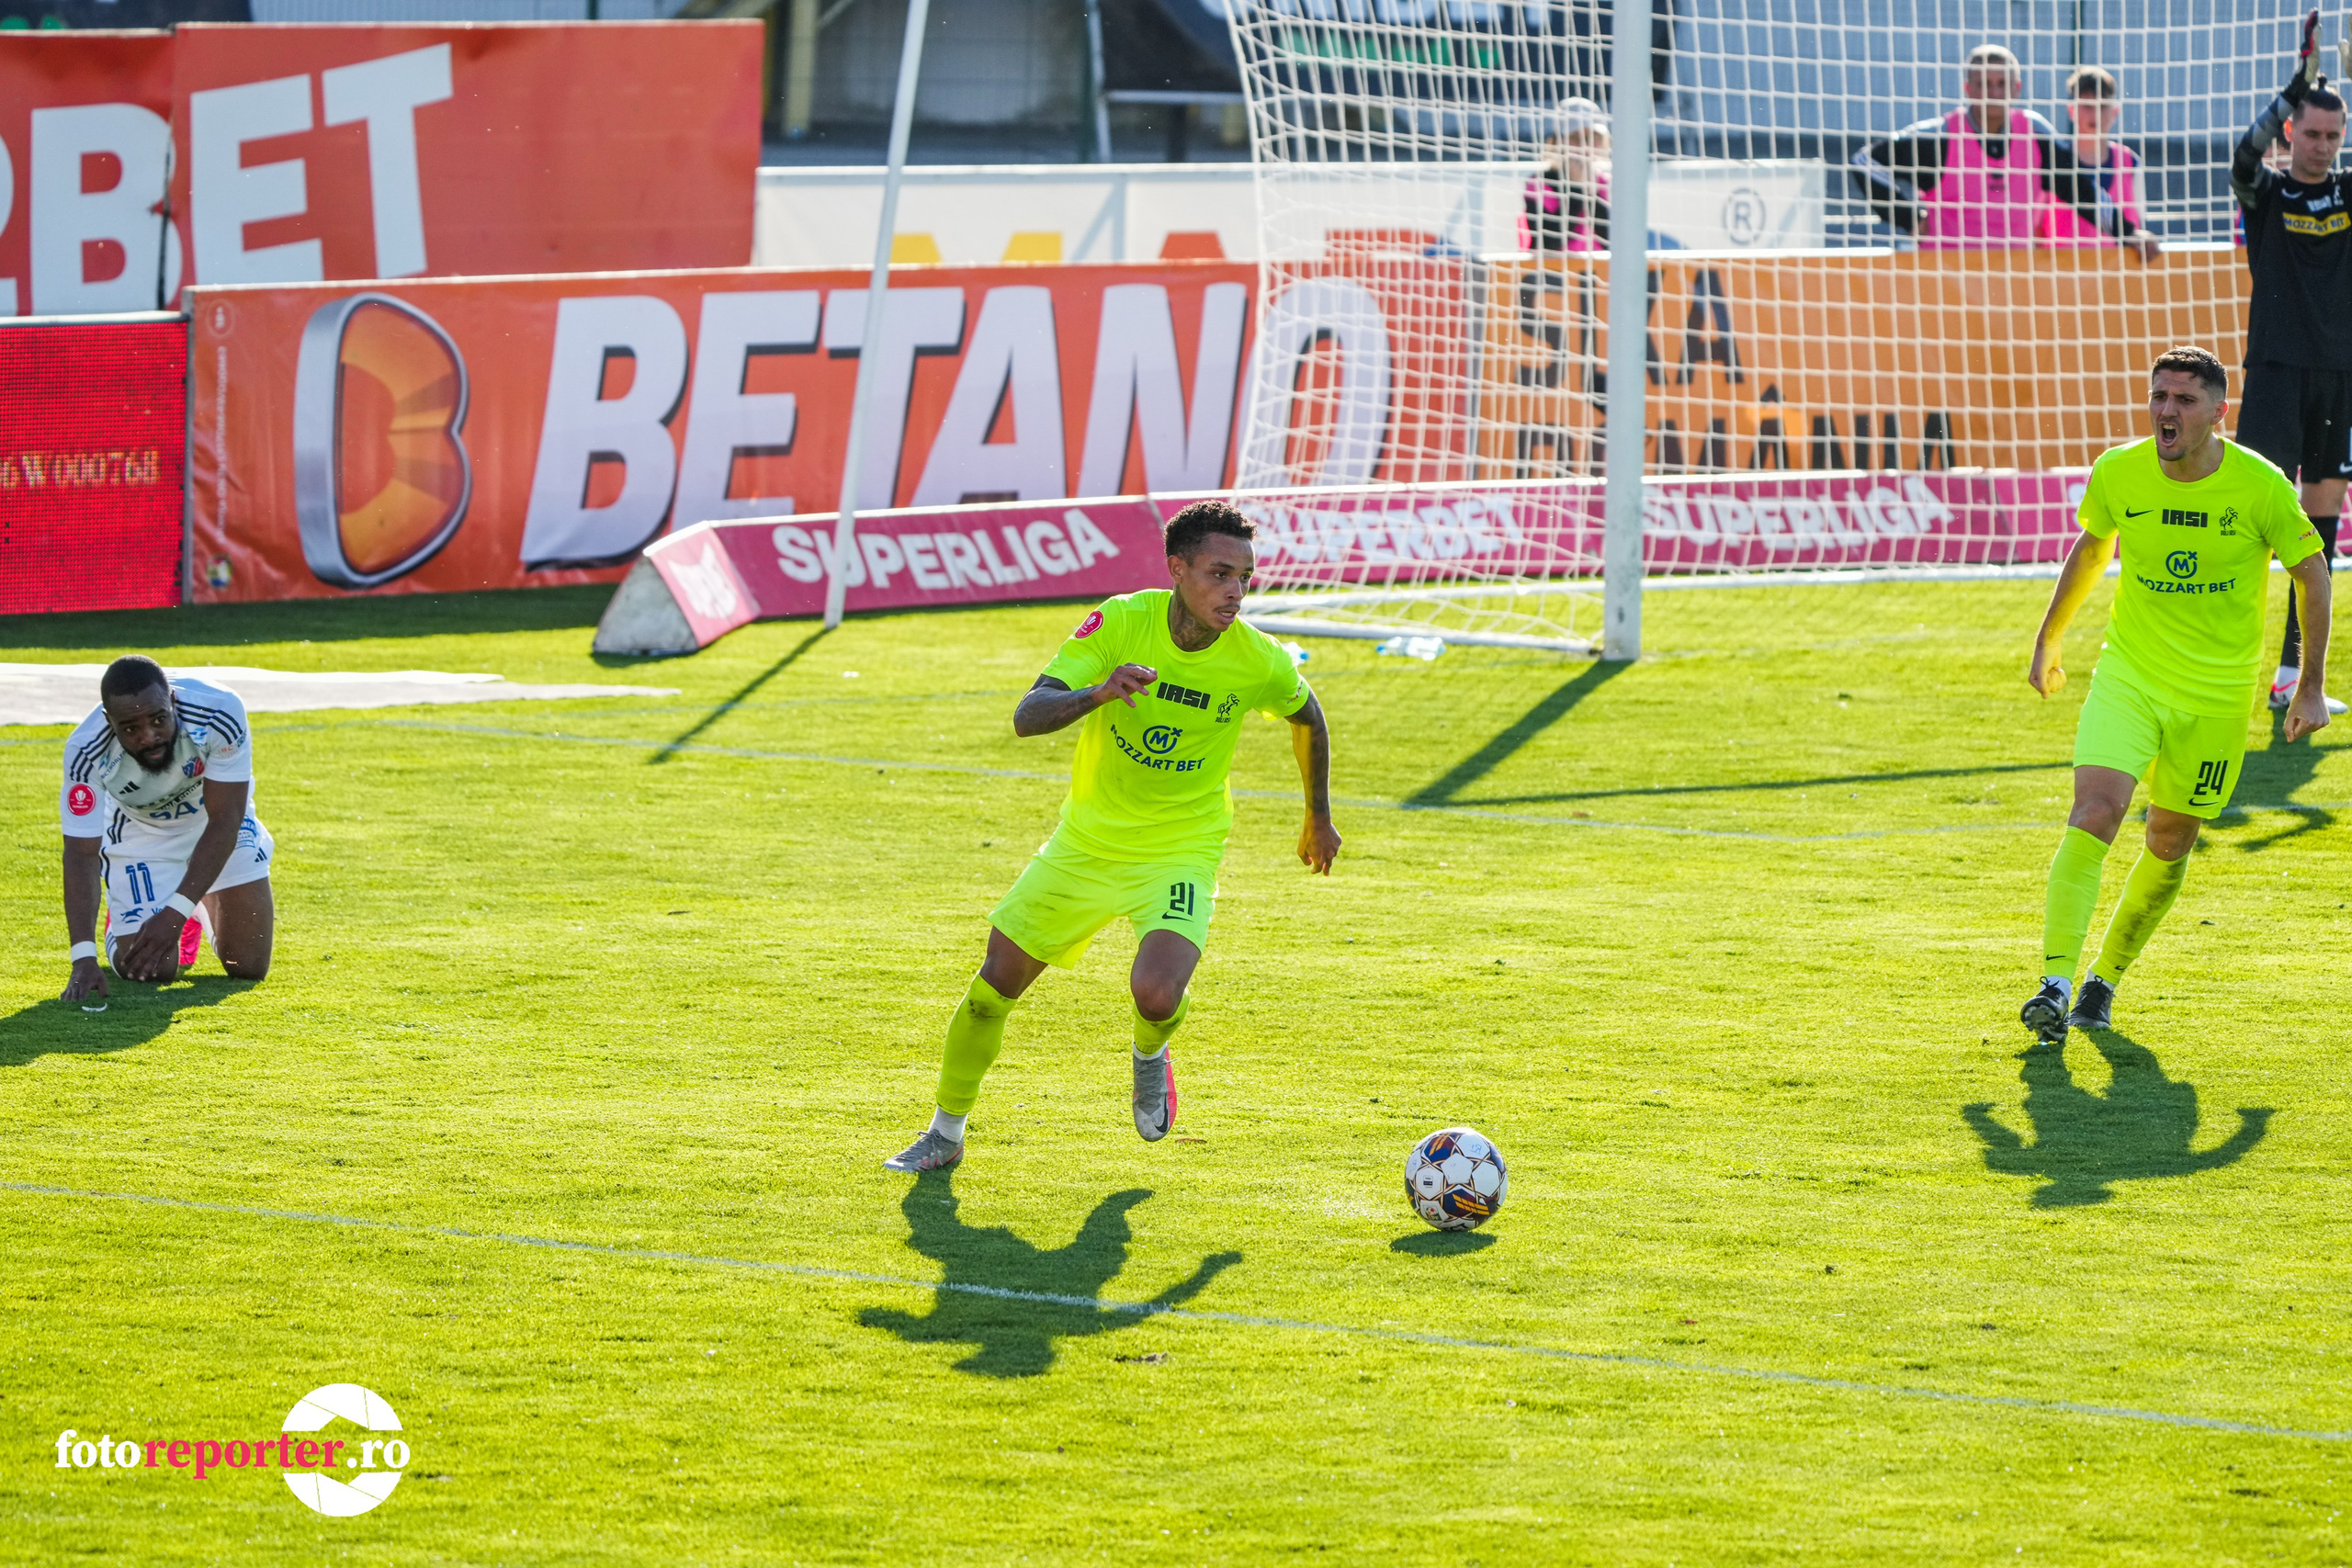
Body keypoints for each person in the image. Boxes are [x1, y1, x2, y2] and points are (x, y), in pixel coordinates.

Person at [882, 501, 1341, 1173]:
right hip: (1086, 844)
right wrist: (1098, 692)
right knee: (993, 988)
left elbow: (1308, 716)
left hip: (1180, 849)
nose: (1236, 592)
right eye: (1219, 573)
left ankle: (1150, 1053)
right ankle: (945, 1133)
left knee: (1156, 992)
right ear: (1177, 569)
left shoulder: (1258, 659)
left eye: (1246, 576)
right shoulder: (1122, 622)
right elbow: (1027, 715)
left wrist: (1317, 815)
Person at [2022, 346, 2331, 1043]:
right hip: (2129, 676)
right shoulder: (2118, 470)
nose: (2166, 411)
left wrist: (2309, 686)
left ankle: (2102, 979)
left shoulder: (2261, 486)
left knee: (2170, 836)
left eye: (2185, 400)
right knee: (2095, 810)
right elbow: (2093, 547)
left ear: (2220, 412)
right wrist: (2049, 639)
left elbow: (2312, 575)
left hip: (2215, 699)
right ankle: (2055, 980)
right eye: (2160, 396)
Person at [2230, 9, 2352, 713]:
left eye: (2334, 135)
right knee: (2253, 523)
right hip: (2275, 370)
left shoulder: (2347, 192)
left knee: (2322, 519)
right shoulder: (2267, 192)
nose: (2322, 146)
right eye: (2310, 133)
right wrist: (2293, 85)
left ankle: (2293, 674)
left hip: (2339, 375)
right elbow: (2241, 158)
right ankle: (2220, 659)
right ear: (2290, 133)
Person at [60, 657, 275, 1006]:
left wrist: (174, 913)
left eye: (159, 720)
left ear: (173, 700)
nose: (148, 737)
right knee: (152, 970)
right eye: (129, 728)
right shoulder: (85, 750)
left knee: (248, 966)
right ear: (108, 722)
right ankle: (126, 921)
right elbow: (81, 854)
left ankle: (192, 902)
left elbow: (226, 819)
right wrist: (83, 956)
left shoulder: (220, 709)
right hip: (142, 835)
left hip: (216, 821)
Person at [1852, 43, 2161, 257]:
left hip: (2014, 284)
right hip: (1945, 282)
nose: (1994, 92)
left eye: (2002, 83)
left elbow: (2081, 191)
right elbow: (1863, 160)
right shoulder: (1940, 138)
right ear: (1968, 89)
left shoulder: (2035, 134)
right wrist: (1909, 217)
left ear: (2017, 87)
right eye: (1985, 83)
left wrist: (2129, 232)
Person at [2038, 66, 2146, 245]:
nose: (2095, 114)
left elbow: (2139, 226)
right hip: (2061, 270)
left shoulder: (2129, 163)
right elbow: (2037, 228)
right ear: (2072, 110)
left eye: (2102, 106)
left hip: (2115, 271)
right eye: (2087, 106)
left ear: (2115, 111)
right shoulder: (2054, 162)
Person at [1521, 98, 1611, 254]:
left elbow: (1611, 239)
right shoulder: (1540, 184)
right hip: (1553, 273)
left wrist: (1589, 190)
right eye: (1576, 138)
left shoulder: (1607, 183)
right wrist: (1577, 188)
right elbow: (1548, 243)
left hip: (1601, 274)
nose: (1585, 146)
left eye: (1593, 138)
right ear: (1558, 142)